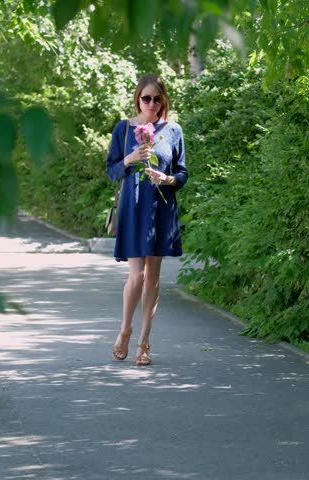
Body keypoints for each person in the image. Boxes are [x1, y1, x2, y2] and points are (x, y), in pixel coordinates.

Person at [106, 74, 188, 366]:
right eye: (146, 98)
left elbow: (182, 173)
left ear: (163, 100)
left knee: (153, 276)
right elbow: (111, 170)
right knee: (136, 275)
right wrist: (130, 159)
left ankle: (144, 341)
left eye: (156, 98)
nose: (151, 104)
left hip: (161, 209)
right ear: (137, 99)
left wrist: (166, 178)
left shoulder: (173, 130)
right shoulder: (124, 129)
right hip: (133, 207)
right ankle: (124, 331)